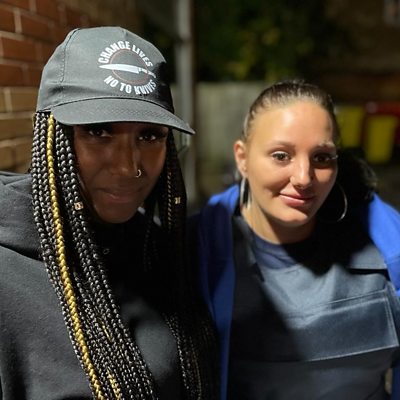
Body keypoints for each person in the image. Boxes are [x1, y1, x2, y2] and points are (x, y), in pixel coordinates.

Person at [0, 26, 219, 399]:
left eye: (149, 136)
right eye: (99, 132)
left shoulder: (156, 250)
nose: (128, 167)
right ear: (51, 136)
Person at [190, 80, 400, 400]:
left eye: (321, 158)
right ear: (242, 158)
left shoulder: (388, 251)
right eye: (281, 155)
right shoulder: (193, 253)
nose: (303, 178)